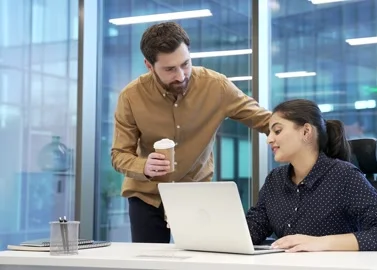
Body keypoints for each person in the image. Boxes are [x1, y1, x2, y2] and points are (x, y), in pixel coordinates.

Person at [111, 22, 271, 243]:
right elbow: (119, 154)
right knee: (149, 265)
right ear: (149, 65)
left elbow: (266, 120)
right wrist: (143, 166)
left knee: (202, 260)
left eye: (185, 64)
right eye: (169, 69)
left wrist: (308, 134)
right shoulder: (131, 96)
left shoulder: (216, 86)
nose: (180, 75)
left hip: (196, 193)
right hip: (147, 196)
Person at [246, 99, 377, 252]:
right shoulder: (275, 179)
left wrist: (319, 242)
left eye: (277, 131)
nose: (269, 139)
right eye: (269, 132)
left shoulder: (344, 176)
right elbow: (255, 228)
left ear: (306, 131)